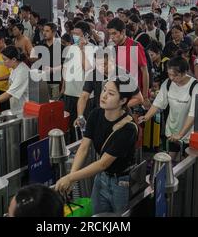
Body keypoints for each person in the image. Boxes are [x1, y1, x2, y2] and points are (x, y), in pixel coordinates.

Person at [56, 77, 138, 214]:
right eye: (104, 90)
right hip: (101, 178)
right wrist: (72, 175)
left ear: (123, 101)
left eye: (111, 94)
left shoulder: (128, 128)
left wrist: (70, 178)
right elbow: (83, 148)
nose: (104, 96)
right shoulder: (96, 114)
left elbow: (103, 163)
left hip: (121, 183)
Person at [139, 56, 198, 161]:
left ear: (185, 72)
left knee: (185, 162)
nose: (172, 78)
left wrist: (180, 134)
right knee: (169, 159)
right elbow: (158, 103)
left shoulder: (195, 87)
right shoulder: (168, 83)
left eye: (176, 75)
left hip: (188, 133)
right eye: (170, 74)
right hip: (172, 129)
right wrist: (146, 117)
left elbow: (193, 113)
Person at [74, 53, 144, 127]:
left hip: (120, 116)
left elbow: (139, 98)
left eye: (104, 65)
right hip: (102, 116)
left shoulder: (123, 75)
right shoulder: (94, 74)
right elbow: (84, 96)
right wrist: (80, 116)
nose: (100, 68)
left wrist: (116, 105)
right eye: (97, 65)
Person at [107, 18, 150, 109]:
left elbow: (145, 71)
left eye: (114, 33)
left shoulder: (135, 46)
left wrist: (145, 96)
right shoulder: (113, 48)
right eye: (110, 34)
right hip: (120, 94)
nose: (111, 37)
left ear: (123, 32)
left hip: (135, 96)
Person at [0, 46, 30, 113]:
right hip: (17, 107)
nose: (3, 62)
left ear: (14, 59)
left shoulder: (22, 72)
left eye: (5, 60)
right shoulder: (14, 68)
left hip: (25, 109)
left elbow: (9, 94)